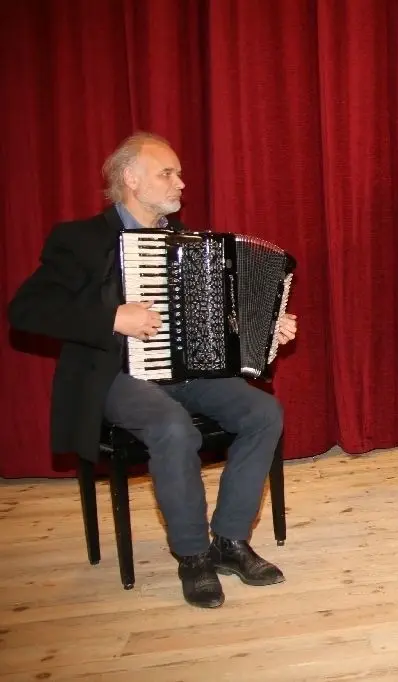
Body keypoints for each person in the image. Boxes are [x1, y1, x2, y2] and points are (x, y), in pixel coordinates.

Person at [7, 132, 298, 608]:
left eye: (178, 173)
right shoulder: (79, 240)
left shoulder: (191, 245)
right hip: (115, 376)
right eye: (168, 173)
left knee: (263, 413)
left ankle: (229, 540)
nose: (180, 182)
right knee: (171, 427)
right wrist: (113, 317)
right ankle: (193, 555)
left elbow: (218, 320)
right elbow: (26, 311)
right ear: (131, 179)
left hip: (187, 374)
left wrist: (266, 328)